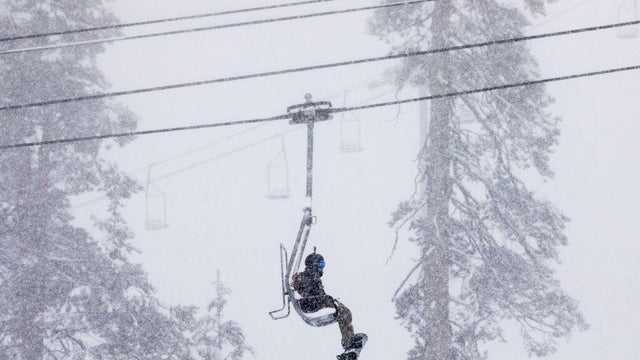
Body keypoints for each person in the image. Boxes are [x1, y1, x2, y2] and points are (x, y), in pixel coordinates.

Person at [292, 251, 365, 359]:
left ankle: (349, 344)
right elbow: (303, 287)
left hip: (315, 302)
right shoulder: (305, 276)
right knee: (344, 312)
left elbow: (318, 292)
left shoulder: (315, 278)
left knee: (345, 312)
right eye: (321, 264)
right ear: (314, 264)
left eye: (323, 265)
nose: (322, 268)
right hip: (310, 304)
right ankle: (349, 343)